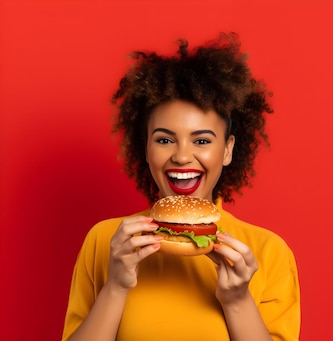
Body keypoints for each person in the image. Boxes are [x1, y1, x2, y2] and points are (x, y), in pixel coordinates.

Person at [62, 32, 301, 341]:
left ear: (227, 150)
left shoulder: (268, 251)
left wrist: (238, 301)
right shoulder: (105, 240)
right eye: (164, 139)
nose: (182, 156)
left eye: (202, 140)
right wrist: (116, 286)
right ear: (146, 148)